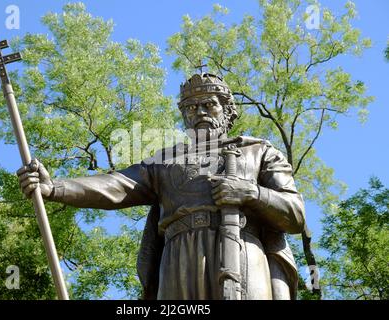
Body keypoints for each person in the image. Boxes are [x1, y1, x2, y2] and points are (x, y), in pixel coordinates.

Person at [18, 73, 305, 300]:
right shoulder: (165, 161)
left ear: (228, 111)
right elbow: (116, 185)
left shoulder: (258, 151)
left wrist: (251, 193)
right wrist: (55, 188)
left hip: (242, 250)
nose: (200, 112)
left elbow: (294, 214)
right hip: (178, 258)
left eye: (209, 104)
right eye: (191, 108)